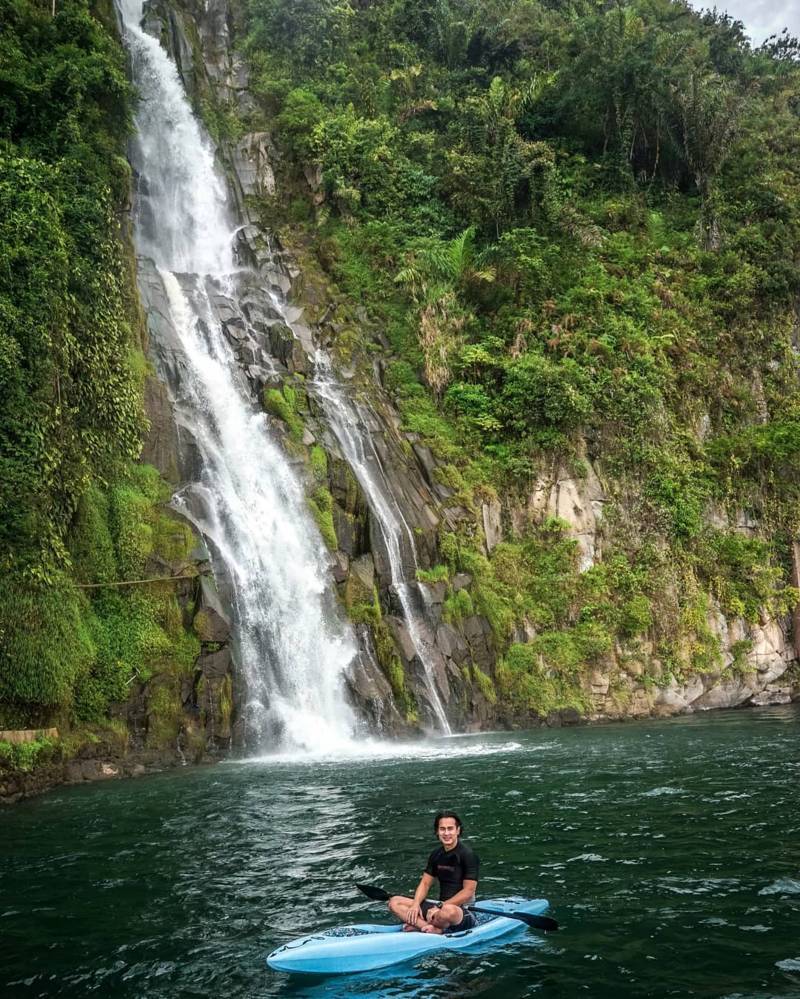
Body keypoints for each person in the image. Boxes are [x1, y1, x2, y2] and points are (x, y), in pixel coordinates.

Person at [388, 810, 479, 934]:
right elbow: (425, 884)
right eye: (442, 829)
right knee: (394, 902)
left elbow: (468, 892)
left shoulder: (468, 855)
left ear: (457, 830)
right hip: (438, 908)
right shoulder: (436, 854)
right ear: (437, 831)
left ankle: (424, 926)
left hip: (460, 912)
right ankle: (430, 927)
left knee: (449, 911)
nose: (446, 833)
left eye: (450, 829)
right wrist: (415, 905)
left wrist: (440, 907)